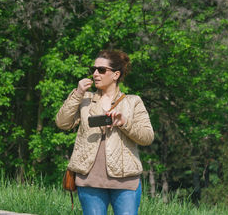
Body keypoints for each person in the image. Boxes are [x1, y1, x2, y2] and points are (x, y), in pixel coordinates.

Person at [56, 50, 154, 215]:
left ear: (115, 75)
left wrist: (125, 123)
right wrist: (78, 93)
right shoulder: (85, 99)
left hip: (125, 180)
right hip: (89, 180)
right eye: (93, 69)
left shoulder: (133, 102)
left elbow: (147, 137)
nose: (95, 74)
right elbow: (62, 123)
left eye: (101, 70)